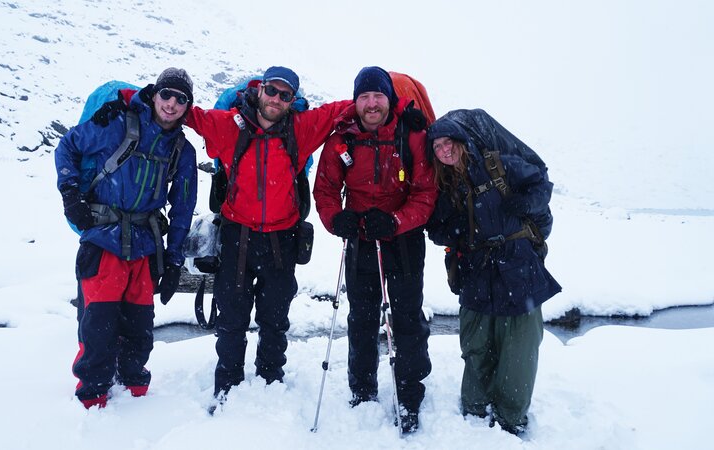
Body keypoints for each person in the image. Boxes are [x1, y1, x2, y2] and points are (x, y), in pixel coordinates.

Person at [183, 66, 352, 405]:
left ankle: (270, 379)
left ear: (293, 100)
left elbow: (342, 109)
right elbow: (186, 113)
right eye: (272, 91)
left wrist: (387, 95)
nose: (277, 99)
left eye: (285, 94)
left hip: (281, 240)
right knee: (232, 316)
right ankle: (227, 383)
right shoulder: (231, 125)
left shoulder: (301, 129)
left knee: (275, 318)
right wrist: (134, 97)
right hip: (237, 236)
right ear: (259, 90)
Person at [55, 68, 198, 409]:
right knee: (98, 326)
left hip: (146, 248)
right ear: (155, 94)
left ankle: (137, 397)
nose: (172, 104)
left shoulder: (183, 150)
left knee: (139, 329)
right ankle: (92, 399)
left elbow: (182, 208)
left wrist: (175, 259)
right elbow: (67, 147)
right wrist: (70, 194)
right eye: (167, 94)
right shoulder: (117, 124)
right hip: (104, 241)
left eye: (182, 99)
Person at [312, 66, 437, 433]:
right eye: (364, 97)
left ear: (389, 98)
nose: (371, 104)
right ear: (356, 100)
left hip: (404, 239)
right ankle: (362, 389)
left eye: (378, 96)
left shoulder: (412, 133)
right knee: (362, 317)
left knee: (407, 317)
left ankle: (409, 393)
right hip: (361, 239)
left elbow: (426, 192)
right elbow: (325, 189)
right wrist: (337, 220)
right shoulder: (342, 137)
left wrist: (397, 221)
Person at [424, 115, 561, 435]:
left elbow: (541, 185)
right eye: (438, 147)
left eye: (448, 143)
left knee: (519, 349)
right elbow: (437, 230)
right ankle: (473, 411)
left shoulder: (498, 165)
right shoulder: (445, 185)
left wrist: (523, 202)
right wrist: (450, 230)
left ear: (461, 142)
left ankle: (511, 419)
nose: (444, 151)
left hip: (517, 265)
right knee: (475, 344)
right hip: (475, 269)